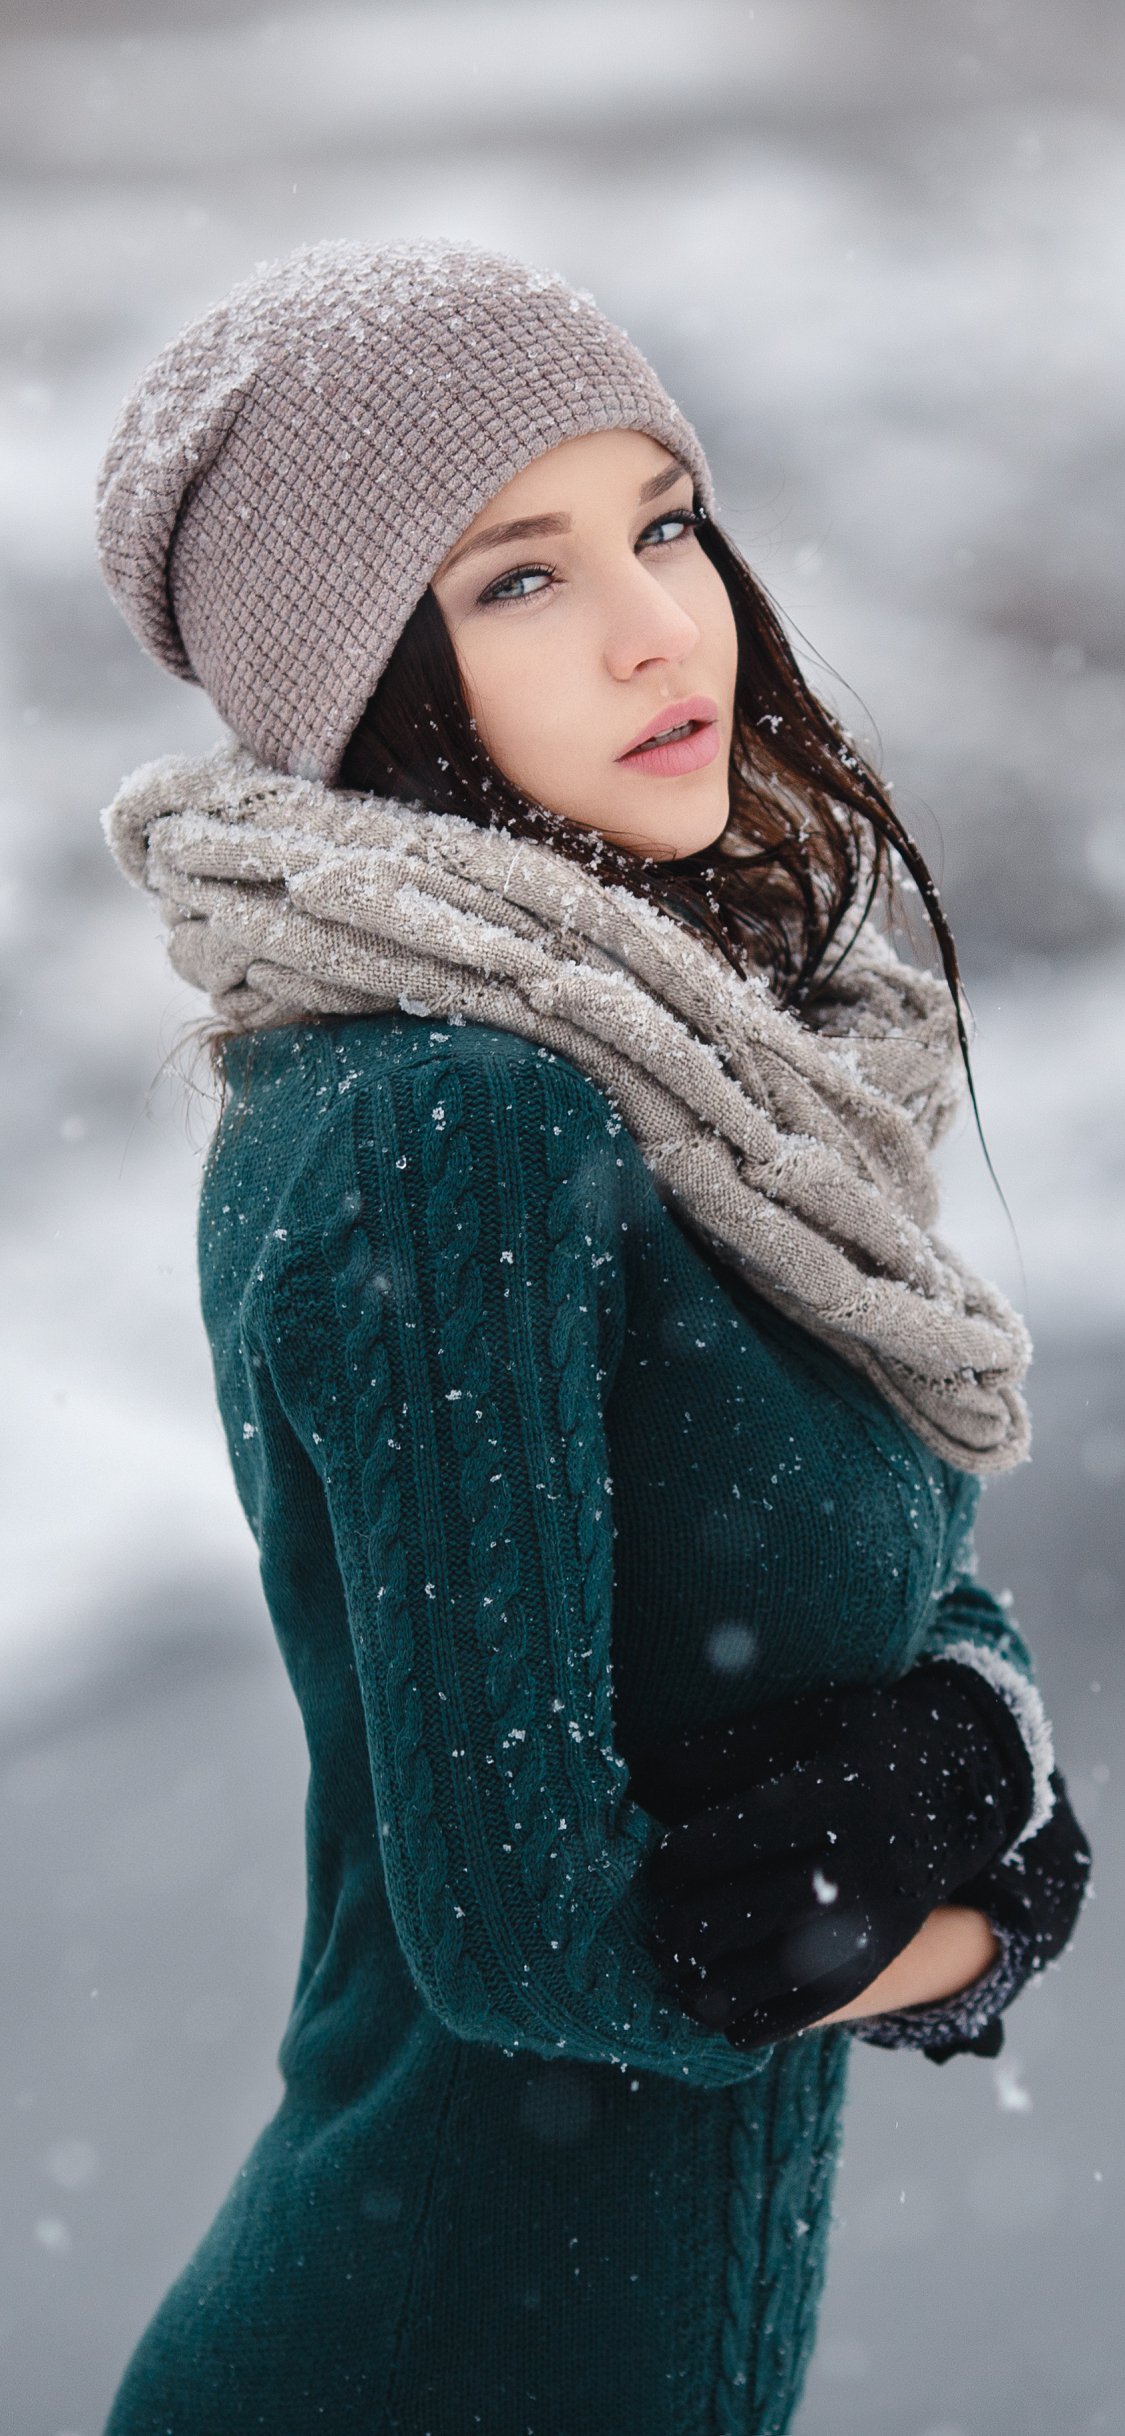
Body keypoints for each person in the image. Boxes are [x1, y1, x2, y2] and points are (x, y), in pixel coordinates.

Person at [94, 239, 1090, 2436]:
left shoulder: (673, 1091)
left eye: (660, 522)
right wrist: (968, 1889)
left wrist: (961, 1754)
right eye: (514, 581)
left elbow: (896, 1604)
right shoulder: (448, 1124)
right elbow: (541, 1941)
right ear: (371, 684)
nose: (662, 622)